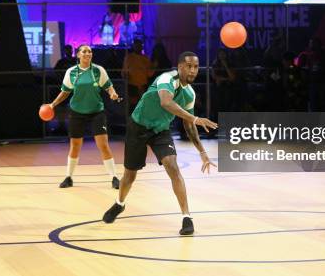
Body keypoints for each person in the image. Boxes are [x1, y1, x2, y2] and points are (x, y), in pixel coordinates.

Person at [103, 52, 218, 235]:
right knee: (130, 176)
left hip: (160, 131)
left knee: (173, 167)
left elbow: (189, 126)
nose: (193, 70)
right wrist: (195, 118)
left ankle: (186, 217)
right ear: (179, 67)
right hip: (138, 127)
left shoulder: (189, 94)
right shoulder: (166, 78)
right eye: (189, 66)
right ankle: (120, 203)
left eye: (196, 67)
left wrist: (202, 152)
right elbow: (166, 102)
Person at [47, 44, 121, 189]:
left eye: (90, 51)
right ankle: (69, 177)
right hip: (77, 112)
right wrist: (53, 104)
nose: (88, 53)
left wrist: (112, 93)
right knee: (75, 146)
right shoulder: (71, 72)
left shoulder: (98, 70)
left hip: (96, 112)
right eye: (84, 51)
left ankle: (114, 177)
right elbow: (65, 92)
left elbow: (108, 86)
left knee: (103, 145)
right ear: (78, 55)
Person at [122, 39, 153, 110]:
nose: (138, 47)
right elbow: (124, 71)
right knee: (133, 105)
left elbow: (149, 74)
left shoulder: (145, 58)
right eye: (136, 46)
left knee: (143, 104)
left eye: (139, 46)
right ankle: (132, 119)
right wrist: (125, 76)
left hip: (143, 84)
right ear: (134, 46)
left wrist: (154, 66)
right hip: (132, 85)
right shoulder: (129, 58)